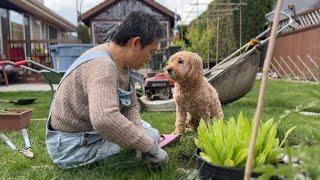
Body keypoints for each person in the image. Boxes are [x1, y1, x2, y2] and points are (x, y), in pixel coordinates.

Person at [46, 11, 168, 169]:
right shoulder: (103, 66)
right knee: (148, 139)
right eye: (151, 51)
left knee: (151, 135)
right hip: (71, 145)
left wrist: (143, 141)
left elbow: (130, 106)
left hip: (90, 133)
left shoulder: (121, 61)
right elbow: (104, 120)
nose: (150, 58)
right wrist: (150, 147)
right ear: (136, 43)